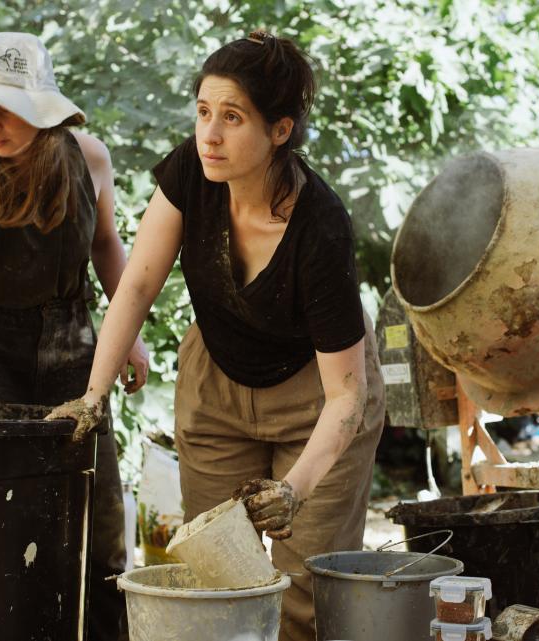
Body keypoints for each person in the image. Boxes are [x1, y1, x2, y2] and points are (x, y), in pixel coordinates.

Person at [48, 31, 385, 641]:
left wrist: (292, 492)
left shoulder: (322, 227)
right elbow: (137, 284)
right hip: (217, 382)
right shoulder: (193, 169)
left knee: (303, 600)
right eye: (203, 112)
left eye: (232, 118)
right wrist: (92, 396)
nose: (210, 134)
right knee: (216, 583)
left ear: (280, 130)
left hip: (318, 395)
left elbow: (347, 396)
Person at [0, 32, 147, 641]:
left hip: (75, 346)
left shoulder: (90, 158)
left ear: (44, 111)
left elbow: (106, 244)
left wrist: (127, 334)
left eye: (5, 107)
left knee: (99, 528)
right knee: (4, 524)